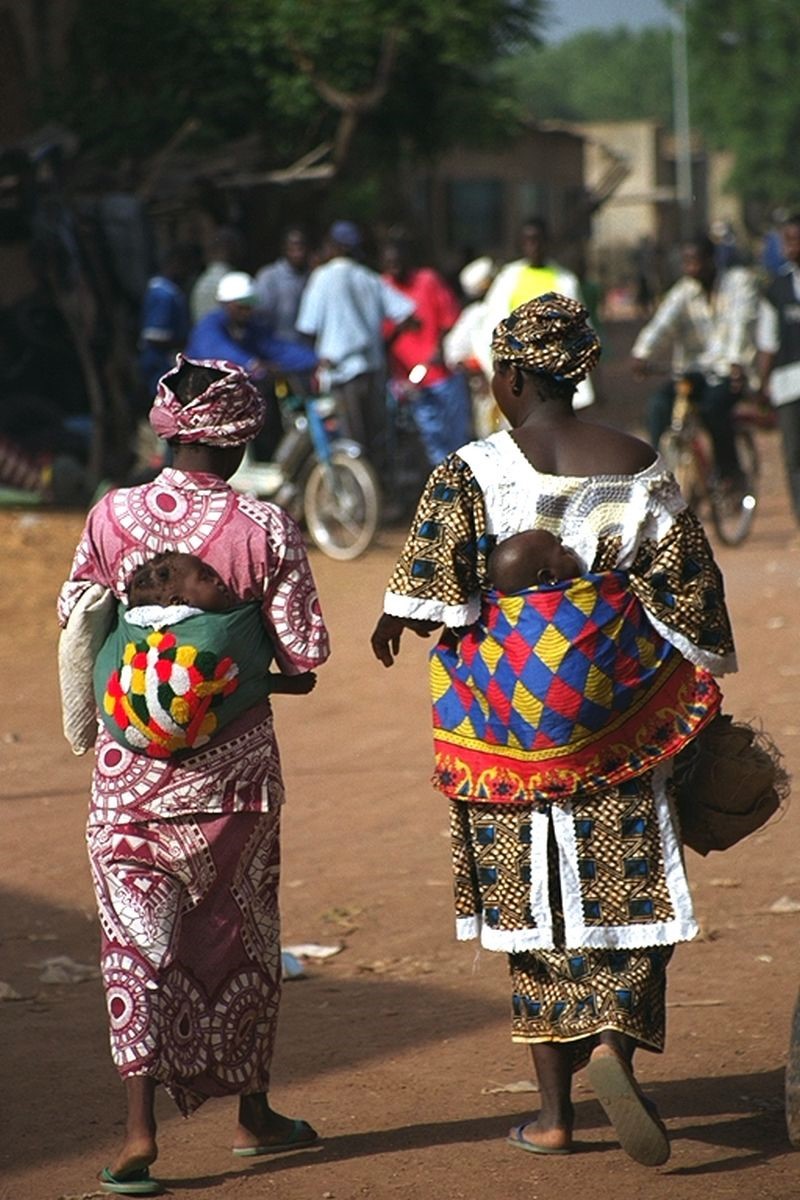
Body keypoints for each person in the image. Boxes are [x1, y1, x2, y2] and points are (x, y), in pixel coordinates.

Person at [370, 293, 736, 1167]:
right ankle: (614, 1041)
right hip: (618, 722)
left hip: (510, 735)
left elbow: (432, 595)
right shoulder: (639, 463)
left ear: (515, 374)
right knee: (630, 889)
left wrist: (401, 620)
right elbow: (692, 604)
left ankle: (555, 1115)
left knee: (533, 908)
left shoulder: (471, 469)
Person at [57, 355, 330, 1195]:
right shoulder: (265, 529)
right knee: (240, 934)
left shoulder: (111, 515)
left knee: (131, 947)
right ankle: (253, 1115)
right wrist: (224, 671)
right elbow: (307, 658)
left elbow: (78, 615)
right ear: (242, 441)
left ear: (167, 431)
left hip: (126, 781)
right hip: (232, 784)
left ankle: (139, 1136)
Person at [630, 232, 759, 487]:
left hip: (729, 373)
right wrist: (642, 353)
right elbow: (662, 323)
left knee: (714, 409)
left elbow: (741, 324)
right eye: (686, 262)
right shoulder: (683, 292)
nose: (691, 267)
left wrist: (735, 361)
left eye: (696, 261)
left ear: (711, 260)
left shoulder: (739, 283)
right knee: (658, 405)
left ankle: (729, 471)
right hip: (693, 371)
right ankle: (658, 473)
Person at [295, 220, 416, 468]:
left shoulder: (323, 277)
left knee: (351, 441)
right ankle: (380, 491)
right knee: (376, 438)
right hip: (372, 368)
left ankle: (359, 498)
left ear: (334, 246)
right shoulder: (370, 278)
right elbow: (409, 316)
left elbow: (307, 328)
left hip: (342, 372)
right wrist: (384, 343)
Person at [186, 271, 318, 460]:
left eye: (250, 306)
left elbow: (276, 348)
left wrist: (313, 359)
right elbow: (220, 351)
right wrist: (252, 364)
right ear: (227, 304)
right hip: (203, 406)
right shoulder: (209, 327)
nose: (247, 311)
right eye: (242, 306)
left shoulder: (250, 328)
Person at [477, 217, 595, 409]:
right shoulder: (508, 277)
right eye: (528, 241)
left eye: (538, 240)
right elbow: (492, 324)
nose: (534, 246)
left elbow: (580, 329)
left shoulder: (565, 280)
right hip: (519, 371)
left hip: (555, 372)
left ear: (547, 243)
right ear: (521, 243)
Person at [381, 239, 472, 467]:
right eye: (389, 263)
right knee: (431, 442)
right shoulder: (382, 288)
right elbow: (381, 336)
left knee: (457, 439)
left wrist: (439, 347)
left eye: (398, 262)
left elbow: (449, 317)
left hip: (442, 375)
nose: (395, 267)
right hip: (410, 381)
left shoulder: (427, 281)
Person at [756, 213, 800, 523]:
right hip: (789, 383)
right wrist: (762, 384)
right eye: (787, 241)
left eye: (795, 240)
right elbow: (767, 342)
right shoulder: (776, 289)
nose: (790, 247)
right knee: (794, 454)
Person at [137, 245, 196, 405]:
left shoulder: (170, 291)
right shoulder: (163, 295)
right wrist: (186, 341)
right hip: (159, 365)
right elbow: (154, 336)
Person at [254, 227, 311, 342]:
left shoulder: (311, 276)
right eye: (292, 249)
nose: (297, 254)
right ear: (284, 249)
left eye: (300, 248)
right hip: (276, 344)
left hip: (302, 345)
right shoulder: (269, 276)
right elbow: (260, 314)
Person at [189, 227, 247, 324]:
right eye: (237, 248)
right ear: (226, 249)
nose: (241, 253)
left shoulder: (201, 281)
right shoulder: (233, 283)